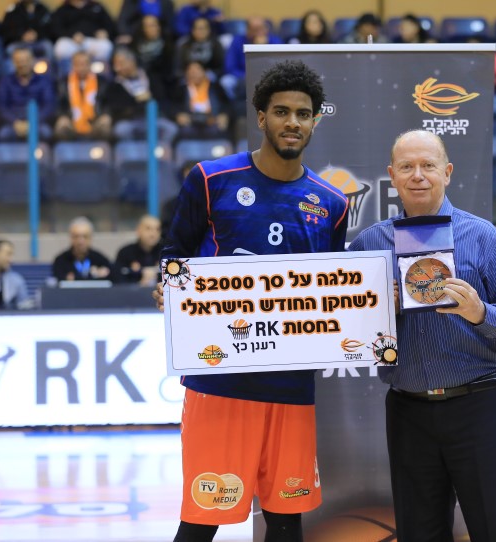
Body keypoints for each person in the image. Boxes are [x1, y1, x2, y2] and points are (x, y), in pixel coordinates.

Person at [152, 60, 349, 542]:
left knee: (286, 518)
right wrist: (168, 288)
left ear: (315, 121)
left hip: (290, 385)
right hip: (218, 379)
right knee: (201, 520)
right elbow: (175, 256)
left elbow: (331, 290)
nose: (292, 122)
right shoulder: (210, 179)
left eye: (303, 114)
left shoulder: (332, 202)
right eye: (281, 112)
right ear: (261, 117)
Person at [348, 129, 496, 541]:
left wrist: (480, 313)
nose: (418, 175)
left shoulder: (483, 236)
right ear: (392, 176)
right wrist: (377, 310)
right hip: (409, 412)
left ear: (447, 172)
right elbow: (343, 330)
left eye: (428, 165)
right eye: (407, 167)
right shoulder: (368, 245)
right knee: (419, 533)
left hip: (483, 406)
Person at [98, 46, 177, 143]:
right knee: (121, 130)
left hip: (153, 118)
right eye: (115, 64)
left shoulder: (150, 77)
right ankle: (131, 152)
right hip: (130, 120)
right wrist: (136, 100)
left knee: (170, 128)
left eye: (120, 63)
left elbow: (161, 98)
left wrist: (150, 97)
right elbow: (116, 106)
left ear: (132, 62)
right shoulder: (114, 85)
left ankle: (161, 150)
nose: (117, 68)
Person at [0, 46, 54, 141]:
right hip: (13, 123)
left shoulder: (44, 81)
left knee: (46, 132)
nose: (22, 64)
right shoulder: (5, 82)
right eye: (19, 61)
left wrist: (33, 122)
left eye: (26, 60)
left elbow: (48, 106)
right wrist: (15, 122)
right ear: (13, 62)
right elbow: (2, 107)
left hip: (38, 121)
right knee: (3, 134)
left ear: (33, 60)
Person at [53, 50, 111, 140]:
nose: (82, 67)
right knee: (61, 128)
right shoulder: (63, 83)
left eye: (85, 64)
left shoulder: (102, 82)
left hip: (95, 121)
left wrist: (106, 115)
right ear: (73, 65)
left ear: (90, 64)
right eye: (78, 64)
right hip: (71, 122)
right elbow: (59, 104)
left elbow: (107, 103)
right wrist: (62, 116)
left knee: (105, 126)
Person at [221, 15, 281, 101]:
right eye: (255, 29)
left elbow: (280, 64)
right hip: (243, 76)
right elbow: (230, 66)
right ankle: (236, 106)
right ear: (248, 30)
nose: (259, 32)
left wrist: (262, 47)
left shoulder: (275, 41)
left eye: (262, 28)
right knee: (226, 82)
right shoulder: (237, 41)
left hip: (269, 76)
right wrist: (245, 76)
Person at [170, 59, 230, 140]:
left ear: (204, 72)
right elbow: (172, 106)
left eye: (197, 69)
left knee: (221, 129)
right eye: (190, 70)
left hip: (212, 121)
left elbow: (228, 105)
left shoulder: (216, 87)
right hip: (190, 123)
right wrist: (178, 115)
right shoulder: (180, 90)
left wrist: (224, 115)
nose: (193, 73)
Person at [50, 0, 116, 63]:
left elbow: (110, 26)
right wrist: (71, 35)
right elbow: (56, 29)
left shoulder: (96, 7)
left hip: (93, 40)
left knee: (106, 46)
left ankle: (97, 70)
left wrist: (105, 32)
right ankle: (68, 70)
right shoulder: (63, 9)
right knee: (61, 48)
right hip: (71, 42)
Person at [51, 216, 112, 281]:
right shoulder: (61, 260)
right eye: (76, 236)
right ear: (71, 238)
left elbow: (112, 278)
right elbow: (58, 279)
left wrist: (74, 278)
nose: (80, 241)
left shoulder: (100, 259)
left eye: (85, 236)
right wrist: (94, 275)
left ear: (91, 238)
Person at [114, 214, 161, 284]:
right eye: (148, 229)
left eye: (157, 229)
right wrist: (140, 284)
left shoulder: (167, 252)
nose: (153, 234)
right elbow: (118, 281)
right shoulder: (125, 253)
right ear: (138, 231)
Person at [174, 15, 223, 79]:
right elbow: (178, 68)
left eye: (204, 28)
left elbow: (220, 67)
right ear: (193, 30)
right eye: (199, 28)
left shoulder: (216, 45)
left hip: (209, 76)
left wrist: (204, 74)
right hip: (187, 76)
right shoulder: (184, 45)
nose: (202, 31)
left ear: (209, 30)